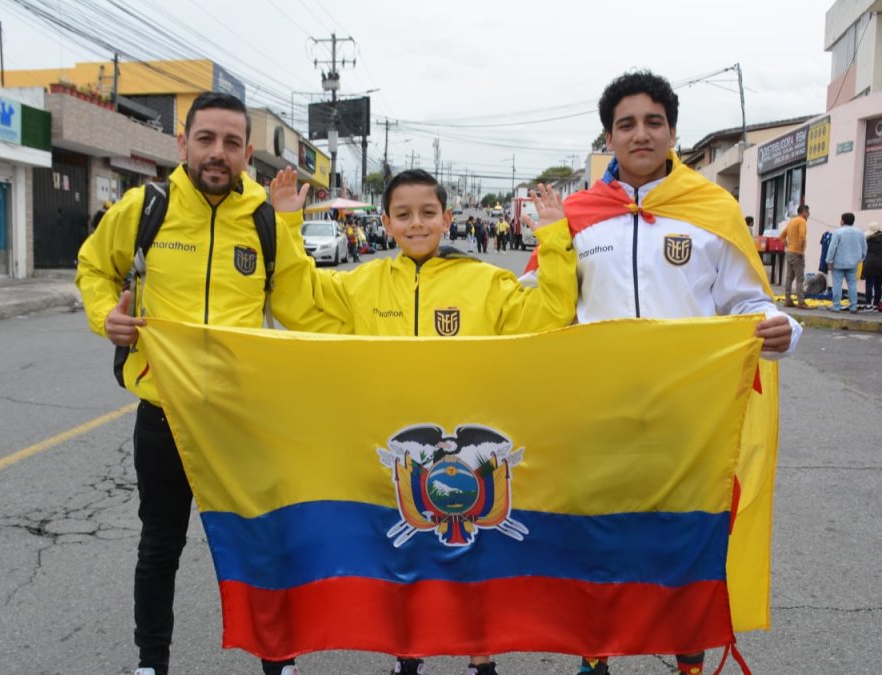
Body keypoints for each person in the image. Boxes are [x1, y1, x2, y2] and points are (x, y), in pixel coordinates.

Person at [522, 69, 800, 675]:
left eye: (654, 122)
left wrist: (781, 329)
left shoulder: (712, 209)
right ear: (608, 138)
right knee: (595, 537)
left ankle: (689, 662)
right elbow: (535, 302)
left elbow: (748, 302)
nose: (640, 134)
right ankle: (593, 656)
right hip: (593, 412)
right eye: (626, 124)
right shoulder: (576, 215)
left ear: (673, 132)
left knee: (685, 542)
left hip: (688, 418)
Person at [270, 167, 579, 675]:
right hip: (399, 453)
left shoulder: (486, 283)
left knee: (475, 562)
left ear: (447, 218)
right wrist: (286, 224)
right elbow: (296, 302)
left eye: (428, 213)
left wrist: (554, 238)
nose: (416, 223)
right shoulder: (361, 285)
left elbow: (552, 311)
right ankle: (407, 655)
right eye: (404, 214)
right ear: (387, 223)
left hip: (468, 458)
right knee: (403, 561)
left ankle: (482, 660)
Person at [75, 91, 312, 675]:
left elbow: (306, 305)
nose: (217, 153)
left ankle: (277, 660)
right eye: (206, 139)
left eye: (231, 142)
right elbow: (93, 267)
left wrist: (290, 224)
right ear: (183, 143)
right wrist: (106, 316)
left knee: (261, 545)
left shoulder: (263, 219)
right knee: (160, 547)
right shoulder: (145, 208)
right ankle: (151, 663)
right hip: (165, 414)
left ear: (248, 153)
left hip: (240, 418)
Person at [825, 212, 867, 312]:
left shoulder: (838, 232)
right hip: (853, 263)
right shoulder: (860, 232)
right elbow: (864, 247)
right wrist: (861, 258)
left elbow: (832, 247)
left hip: (838, 262)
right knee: (852, 284)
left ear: (843, 221)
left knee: (837, 284)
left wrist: (829, 261)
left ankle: (836, 306)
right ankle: (853, 306)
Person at [779, 205, 810, 308]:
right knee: (800, 278)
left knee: (789, 277)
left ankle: (788, 299)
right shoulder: (802, 221)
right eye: (808, 212)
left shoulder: (791, 221)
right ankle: (801, 301)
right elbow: (802, 236)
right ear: (804, 212)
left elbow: (781, 236)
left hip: (789, 252)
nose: (808, 214)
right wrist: (800, 250)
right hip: (797, 253)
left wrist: (787, 245)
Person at [861, 222, 882, 312]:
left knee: (869, 285)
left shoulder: (869, 240)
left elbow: (864, 251)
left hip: (871, 264)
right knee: (878, 286)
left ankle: (868, 305)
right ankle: (876, 306)